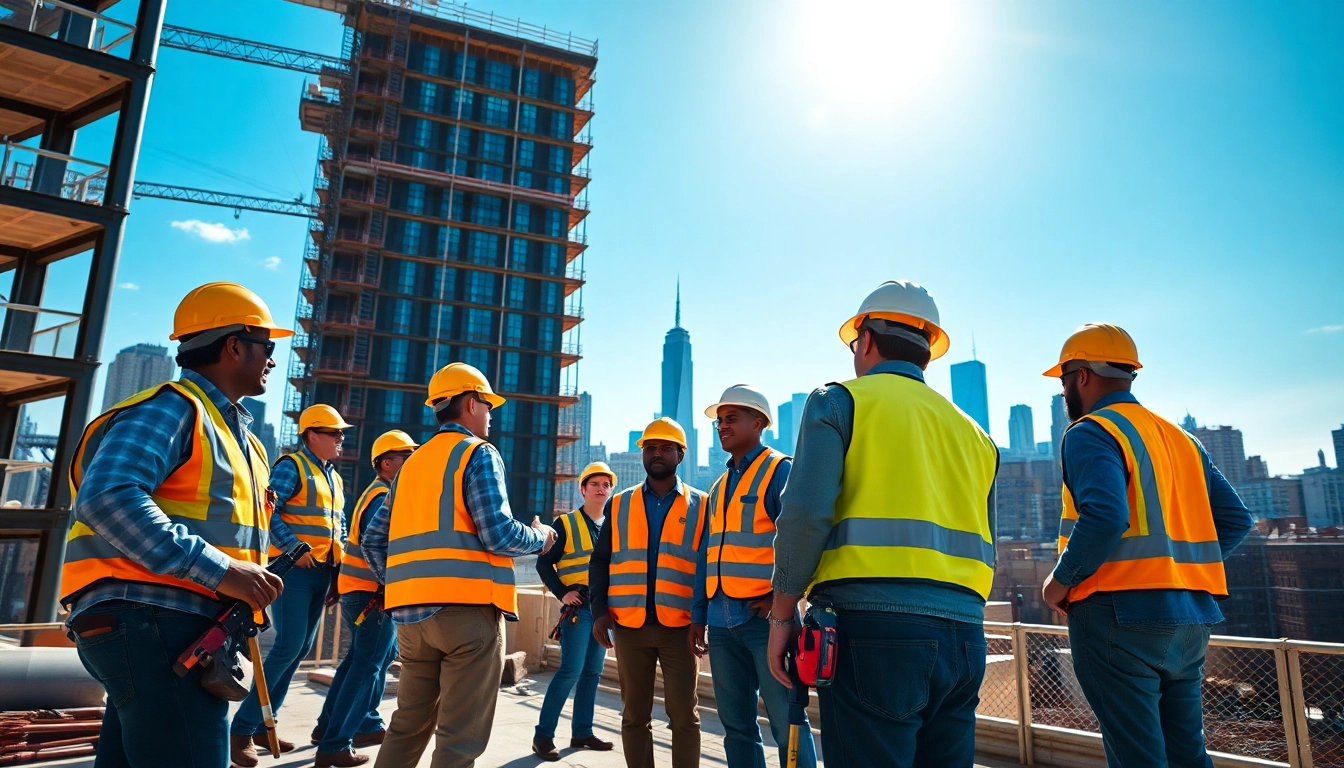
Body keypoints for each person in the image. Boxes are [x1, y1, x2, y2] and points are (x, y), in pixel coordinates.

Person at [765, 280, 999, 768]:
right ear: (927, 354)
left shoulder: (838, 401)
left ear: (866, 340)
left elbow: (804, 516)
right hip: (965, 635)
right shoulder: (978, 437)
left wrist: (783, 614)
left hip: (871, 629)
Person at [63, 282, 287, 767]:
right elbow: (107, 497)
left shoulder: (238, 438)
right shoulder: (173, 408)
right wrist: (223, 571)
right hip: (156, 622)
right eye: (266, 346)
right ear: (233, 346)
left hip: (161, 627)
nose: (272, 359)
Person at [1040, 324, 1252, 767]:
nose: (1063, 393)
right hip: (1191, 618)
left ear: (1082, 375)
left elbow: (1105, 515)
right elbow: (1235, 519)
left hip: (1118, 617)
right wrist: (1180, 569)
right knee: (1187, 752)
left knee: (1138, 755)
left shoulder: (1090, 431)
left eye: (1063, 379)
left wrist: (1059, 583)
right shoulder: (1182, 439)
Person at [361, 362, 557, 768]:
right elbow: (498, 533)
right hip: (467, 614)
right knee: (458, 740)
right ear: (470, 403)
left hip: (411, 618)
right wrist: (541, 538)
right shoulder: (477, 453)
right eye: (487, 406)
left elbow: (372, 540)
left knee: (407, 725)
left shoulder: (410, 465)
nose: (490, 415)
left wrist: (401, 586)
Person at [691, 385, 816, 768]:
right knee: (737, 726)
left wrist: (783, 602)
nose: (722, 426)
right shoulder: (719, 484)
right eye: (719, 420)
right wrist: (699, 614)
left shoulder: (780, 471)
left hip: (766, 620)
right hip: (721, 621)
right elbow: (706, 556)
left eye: (731, 418)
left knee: (787, 721)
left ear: (758, 423)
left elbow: (806, 539)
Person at [232, 403, 352, 766]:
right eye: (334, 433)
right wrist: (293, 547)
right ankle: (241, 730)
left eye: (341, 433)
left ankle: (262, 725)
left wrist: (338, 572)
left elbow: (338, 526)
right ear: (312, 435)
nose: (341, 439)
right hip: (293, 572)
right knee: (287, 647)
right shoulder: (292, 466)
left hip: (321, 573)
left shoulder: (333, 476)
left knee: (297, 651)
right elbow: (267, 510)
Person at [589, 417, 708, 768]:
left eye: (665, 448)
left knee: (684, 717)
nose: (657, 454)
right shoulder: (620, 503)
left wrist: (700, 620)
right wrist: (599, 611)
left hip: (680, 629)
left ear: (680, 454)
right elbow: (601, 561)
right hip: (629, 626)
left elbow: (706, 569)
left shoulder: (702, 505)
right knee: (634, 716)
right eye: (650, 448)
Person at [311, 430, 420, 767]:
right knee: (367, 664)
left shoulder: (380, 492)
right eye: (407, 457)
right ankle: (335, 744)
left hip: (365, 590)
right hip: (374, 593)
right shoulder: (382, 496)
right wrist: (393, 587)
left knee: (365, 660)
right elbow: (381, 548)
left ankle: (346, 726)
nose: (414, 462)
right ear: (387, 463)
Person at [530, 461, 620, 760]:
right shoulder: (565, 523)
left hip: (604, 609)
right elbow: (544, 563)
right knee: (570, 670)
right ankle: (543, 736)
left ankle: (582, 732)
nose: (601, 489)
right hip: (580, 609)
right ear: (583, 489)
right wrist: (562, 592)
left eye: (606, 485)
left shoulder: (614, 526)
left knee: (593, 673)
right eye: (594, 484)